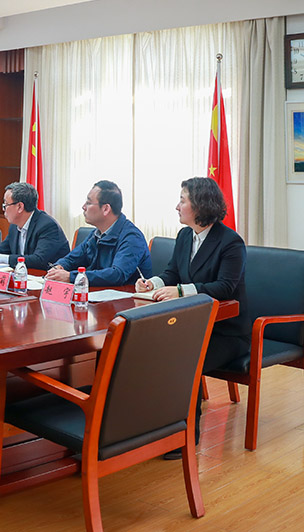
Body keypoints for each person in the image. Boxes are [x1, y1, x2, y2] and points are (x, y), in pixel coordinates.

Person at [136, 177, 247, 458]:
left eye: (182, 200)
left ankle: (185, 436)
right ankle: (151, 428)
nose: (177, 206)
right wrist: (153, 283)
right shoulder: (185, 236)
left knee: (185, 358)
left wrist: (180, 291)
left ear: (199, 205)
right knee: (149, 351)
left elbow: (225, 287)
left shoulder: (231, 242)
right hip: (189, 326)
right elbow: (172, 272)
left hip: (226, 332)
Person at [46, 180, 151, 286]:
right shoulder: (96, 234)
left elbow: (117, 275)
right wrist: (59, 267)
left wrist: (71, 277)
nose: (83, 207)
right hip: (99, 293)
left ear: (106, 209)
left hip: (126, 295)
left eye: (88, 203)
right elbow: (72, 258)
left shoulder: (132, 237)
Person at [0, 182, 69, 270]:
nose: (3, 209)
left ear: (20, 207)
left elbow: (39, 260)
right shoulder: (15, 226)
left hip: (46, 280)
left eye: (6, 204)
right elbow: (1, 251)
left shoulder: (47, 226)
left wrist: (0, 258)